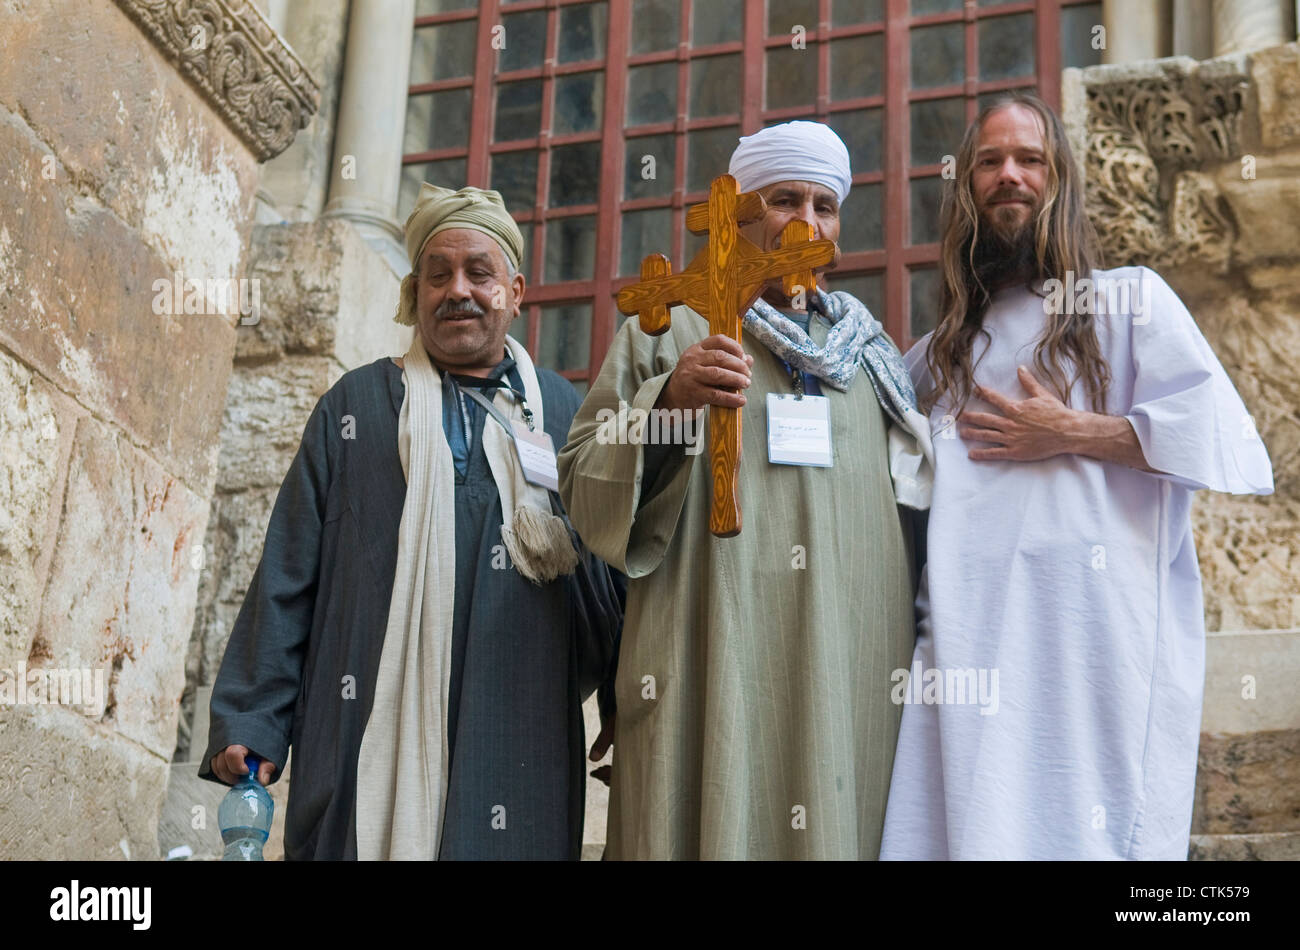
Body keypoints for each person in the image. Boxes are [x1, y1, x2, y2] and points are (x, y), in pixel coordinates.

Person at [879, 94, 1274, 860]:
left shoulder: (1130, 301)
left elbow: (1225, 442)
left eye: (1031, 159)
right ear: (965, 188)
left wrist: (1068, 431)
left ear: (1061, 181)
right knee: (964, 830)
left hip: (1090, 634)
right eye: (989, 162)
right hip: (962, 642)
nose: (1009, 176)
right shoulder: (935, 355)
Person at [200, 184, 620, 860]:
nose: (458, 290)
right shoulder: (358, 405)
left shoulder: (566, 415)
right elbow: (288, 569)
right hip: (360, 730)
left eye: (478, 274)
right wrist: (252, 717)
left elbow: (608, 579)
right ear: (414, 293)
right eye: (438, 274)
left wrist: (627, 706)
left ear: (514, 291)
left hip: (522, 742)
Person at [559, 121, 932, 859]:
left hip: (847, 655)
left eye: (824, 206)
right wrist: (667, 404)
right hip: (709, 641)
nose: (806, 222)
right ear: (738, 214)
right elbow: (582, 474)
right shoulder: (670, 323)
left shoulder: (873, 359)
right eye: (784, 200)